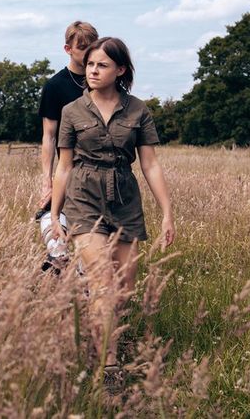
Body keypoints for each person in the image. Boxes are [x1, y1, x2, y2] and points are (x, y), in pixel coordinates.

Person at [50, 36, 175, 371]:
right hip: (83, 197)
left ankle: (102, 338)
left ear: (120, 69)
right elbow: (64, 166)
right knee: (102, 278)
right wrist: (54, 212)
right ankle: (106, 365)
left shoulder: (137, 110)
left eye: (102, 65)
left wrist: (166, 214)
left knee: (123, 287)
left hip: (124, 199)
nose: (93, 70)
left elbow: (149, 164)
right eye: (90, 64)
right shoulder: (72, 111)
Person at [36, 21, 99, 271]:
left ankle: (86, 284)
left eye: (92, 47)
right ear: (68, 49)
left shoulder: (102, 81)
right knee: (49, 212)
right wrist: (46, 180)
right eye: (82, 47)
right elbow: (48, 136)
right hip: (67, 164)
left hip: (96, 167)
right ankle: (58, 258)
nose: (88, 53)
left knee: (92, 228)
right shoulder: (55, 86)